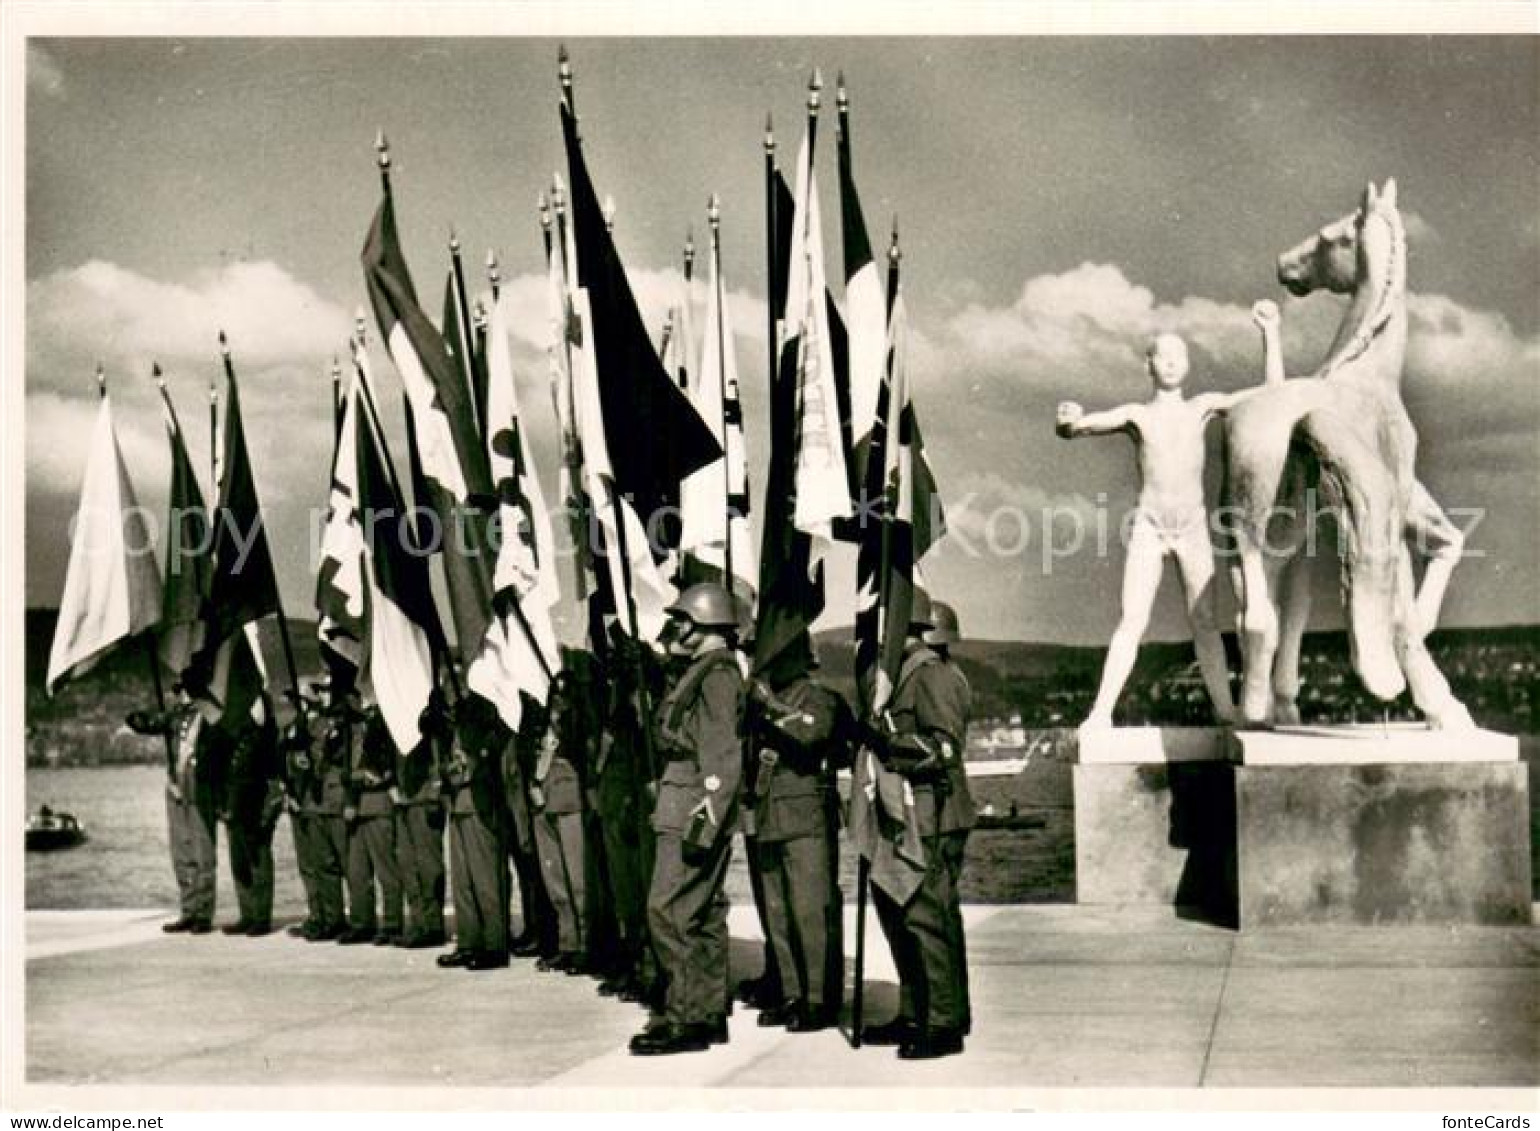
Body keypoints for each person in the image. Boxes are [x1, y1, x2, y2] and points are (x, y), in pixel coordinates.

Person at [1055, 323, 1272, 729]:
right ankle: (1101, 713)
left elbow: (1265, 396)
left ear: (1187, 365)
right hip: (1149, 525)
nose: (1171, 362)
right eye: (1162, 355)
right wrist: (1071, 420)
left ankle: (1227, 712)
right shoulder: (1137, 415)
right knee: (1133, 619)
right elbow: (1082, 426)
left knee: (1205, 621)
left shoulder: (1203, 407)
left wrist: (1271, 335)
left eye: (1179, 356)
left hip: (1191, 525)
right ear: (1149, 364)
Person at [629, 583, 745, 1056]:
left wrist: (704, 822)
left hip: (691, 809)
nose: (674, 627)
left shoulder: (716, 677)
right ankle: (704, 1012)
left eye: (682, 620)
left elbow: (721, 759)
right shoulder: (702, 671)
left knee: (669, 912)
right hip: (683, 802)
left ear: (704, 622)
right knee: (698, 916)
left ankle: (684, 1019)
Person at [862, 591, 976, 1060]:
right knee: (903, 916)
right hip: (909, 814)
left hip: (931, 813)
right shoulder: (906, 676)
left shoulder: (934, 677)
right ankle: (917, 1011)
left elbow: (943, 751)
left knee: (927, 918)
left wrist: (886, 740)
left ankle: (943, 1022)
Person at [744, 636, 853, 1032]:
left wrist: (768, 708)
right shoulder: (757, 702)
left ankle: (819, 998)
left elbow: (810, 735)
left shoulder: (819, 698)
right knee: (778, 912)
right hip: (768, 815)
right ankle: (792, 993)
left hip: (805, 816)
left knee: (810, 911)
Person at [127, 667, 226, 935]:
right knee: (181, 852)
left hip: (200, 789)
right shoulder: (176, 718)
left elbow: (219, 754)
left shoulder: (210, 717)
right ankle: (188, 909)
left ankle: (203, 912)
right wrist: (137, 718)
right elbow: (148, 723)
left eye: (182, 690)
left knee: (202, 852)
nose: (178, 695)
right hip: (176, 789)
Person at [433, 691, 511, 971]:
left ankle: (494, 945)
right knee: (463, 880)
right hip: (458, 805)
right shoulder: (454, 729)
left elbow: (484, 764)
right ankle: (469, 942)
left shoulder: (484, 727)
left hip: (479, 804)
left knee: (484, 879)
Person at [530, 671, 591, 975]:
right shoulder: (544, 724)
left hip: (570, 804)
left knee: (577, 880)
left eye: (564, 695)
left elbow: (580, 752)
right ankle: (567, 944)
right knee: (556, 882)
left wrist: (564, 722)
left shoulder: (575, 724)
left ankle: (585, 946)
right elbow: (538, 759)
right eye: (555, 693)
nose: (559, 700)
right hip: (545, 803)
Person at [220, 689, 282, 936]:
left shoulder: (265, 737)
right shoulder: (235, 736)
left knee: (258, 858)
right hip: (236, 801)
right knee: (240, 859)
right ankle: (247, 913)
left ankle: (261, 916)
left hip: (257, 801)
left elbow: (271, 771)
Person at [341, 702, 403, 946]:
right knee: (357, 870)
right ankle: (361, 922)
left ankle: (392, 922)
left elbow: (384, 768)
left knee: (385, 868)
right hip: (356, 804)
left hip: (377, 803)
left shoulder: (384, 722)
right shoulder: (353, 728)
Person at [394, 717, 447, 949]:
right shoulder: (398, 717)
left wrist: (435, 792)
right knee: (408, 864)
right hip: (406, 799)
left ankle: (433, 925)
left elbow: (437, 758)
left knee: (428, 865)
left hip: (424, 799)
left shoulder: (428, 721)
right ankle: (418, 921)